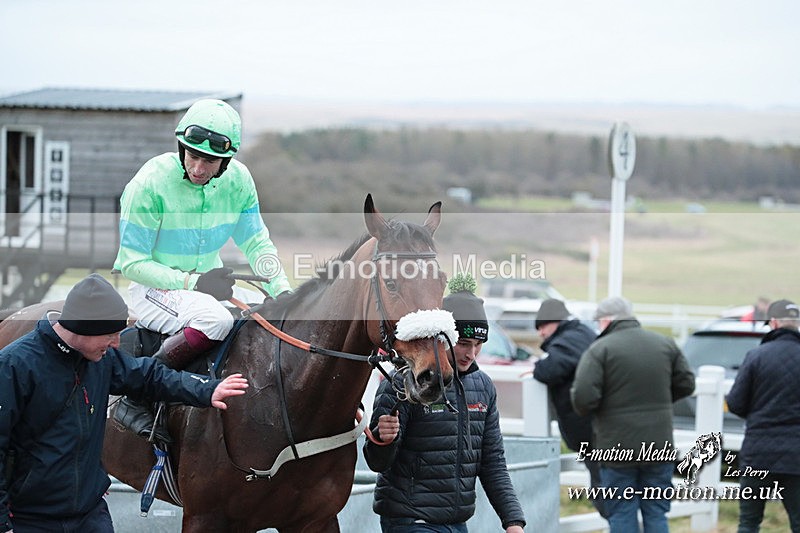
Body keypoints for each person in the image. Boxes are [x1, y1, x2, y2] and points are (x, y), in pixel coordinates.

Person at [0, 274, 248, 533]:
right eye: (111, 335)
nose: (117, 343)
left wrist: (207, 390)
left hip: (89, 516)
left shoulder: (101, 360)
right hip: (31, 520)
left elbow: (149, 376)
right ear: (84, 327)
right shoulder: (14, 367)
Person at [112, 98, 291, 441]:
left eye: (209, 161)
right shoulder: (148, 184)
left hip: (207, 284)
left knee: (262, 316)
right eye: (192, 155)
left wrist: (282, 289)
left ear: (226, 161)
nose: (197, 168)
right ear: (181, 147)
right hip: (152, 287)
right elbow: (131, 263)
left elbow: (256, 242)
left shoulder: (239, 180)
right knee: (217, 320)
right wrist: (193, 283)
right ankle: (136, 396)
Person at [363, 275, 526, 532]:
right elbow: (376, 462)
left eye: (478, 345)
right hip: (410, 521)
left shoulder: (483, 387)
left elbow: (493, 462)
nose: (471, 354)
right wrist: (384, 439)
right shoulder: (402, 382)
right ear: (443, 337)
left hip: (457, 523)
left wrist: (513, 521)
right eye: (463, 344)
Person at [571, 296, 695, 533]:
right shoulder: (665, 343)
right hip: (659, 446)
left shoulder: (600, 349)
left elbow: (583, 398)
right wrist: (661, 401)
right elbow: (687, 384)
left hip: (616, 447)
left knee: (621, 512)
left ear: (607, 319)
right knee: (656, 512)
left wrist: (602, 407)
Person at [726, 298, 800, 532]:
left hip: (758, 452)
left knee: (748, 522)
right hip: (796, 455)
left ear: (774, 322)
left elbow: (736, 403)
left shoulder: (756, 356)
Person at [532, 298, 604, 517]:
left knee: (607, 499)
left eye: (543, 326)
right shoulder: (582, 334)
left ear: (556, 322)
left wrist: (536, 366)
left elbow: (549, 370)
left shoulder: (570, 339)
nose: (541, 333)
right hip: (601, 428)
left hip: (595, 431)